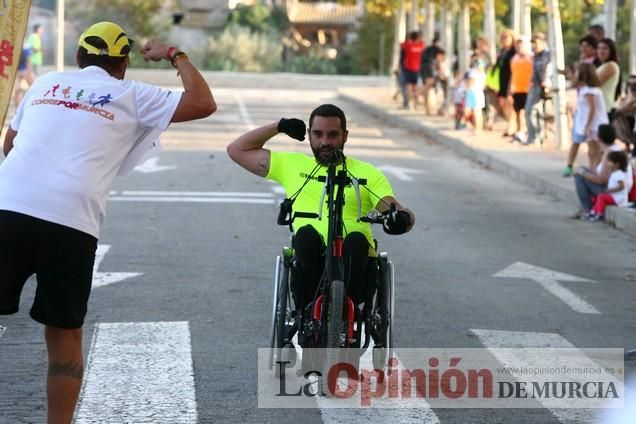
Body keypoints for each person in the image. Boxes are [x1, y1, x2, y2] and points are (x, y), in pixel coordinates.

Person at [0, 21, 216, 423]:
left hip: (8, 207)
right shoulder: (130, 94)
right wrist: (174, 54)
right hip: (70, 220)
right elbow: (203, 103)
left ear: (80, 57)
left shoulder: (45, 84)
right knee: (63, 336)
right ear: (122, 65)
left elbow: (9, 144)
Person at [226, 104, 415, 316]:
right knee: (306, 235)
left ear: (345, 136)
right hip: (309, 259)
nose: (325, 142)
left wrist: (401, 217)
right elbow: (237, 150)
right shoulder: (292, 164)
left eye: (333, 135)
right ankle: (308, 311)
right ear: (308, 135)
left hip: (355, 260)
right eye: (318, 134)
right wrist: (279, 126)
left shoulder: (367, 173)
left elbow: (390, 204)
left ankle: (346, 313)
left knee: (355, 240)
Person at [571, 124, 632, 218]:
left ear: (599, 137)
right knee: (582, 169)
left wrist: (581, 173)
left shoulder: (611, 153)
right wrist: (598, 154)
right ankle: (589, 207)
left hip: (614, 192)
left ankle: (587, 209)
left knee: (579, 174)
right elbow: (595, 170)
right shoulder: (612, 149)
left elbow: (600, 179)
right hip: (615, 188)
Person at [563, 63, 608, 177]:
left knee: (595, 151)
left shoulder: (589, 91)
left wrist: (587, 126)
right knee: (593, 151)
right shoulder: (588, 89)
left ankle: (595, 172)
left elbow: (592, 109)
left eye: (577, 72)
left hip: (594, 126)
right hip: (593, 125)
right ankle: (594, 170)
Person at [523, 32, 551, 146]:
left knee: (532, 111)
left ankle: (536, 137)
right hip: (534, 86)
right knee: (531, 111)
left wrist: (547, 84)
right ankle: (534, 136)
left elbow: (548, 71)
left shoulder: (548, 55)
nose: (533, 46)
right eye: (532, 43)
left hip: (542, 87)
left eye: (536, 43)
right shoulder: (535, 56)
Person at [585, 151, 629, 221]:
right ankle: (593, 212)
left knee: (601, 197)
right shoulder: (614, 173)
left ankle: (599, 214)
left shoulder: (618, 173)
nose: (608, 163)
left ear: (617, 164)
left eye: (610, 162)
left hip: (618, 199)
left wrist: (609, 190)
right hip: (614, 197)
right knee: (598, 197)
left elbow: (622, 186)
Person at [509, 36, 533, 142]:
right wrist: (510, 87)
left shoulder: (531, 57)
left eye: (521, 45)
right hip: (517, 89)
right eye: (518, 45)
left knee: (527, 112)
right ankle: (520, 132)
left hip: (528, 89)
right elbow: (512, 74)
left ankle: (528, 131)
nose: (519, 47)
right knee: (518, 111)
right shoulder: (514, 59)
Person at [494, 29, 517, 136]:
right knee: (503, 104)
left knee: (510, 104)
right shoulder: (502, 51)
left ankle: (511, 127)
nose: (504, 39)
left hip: (510, 80)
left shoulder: (514, 52)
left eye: (507, 37)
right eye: (502, 37)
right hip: (501, 80)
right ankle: (510, 124)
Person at [596, 38, 621, 121]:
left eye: (604, 48)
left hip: (605, 108)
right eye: (599, 48)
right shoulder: (603, 66)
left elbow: (594, 83)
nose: (601, 51)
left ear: (611, 50)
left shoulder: (611, 65)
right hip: (601, 108)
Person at [399, 31, 425, 109]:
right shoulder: (421, 45)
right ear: (418, 38)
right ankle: (416, 102)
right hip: (418, 69)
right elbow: (423, 43)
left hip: (408, 68)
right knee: (415, 86)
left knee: (409, 86)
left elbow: (402, 46)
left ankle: (410, 103)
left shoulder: (407, 45)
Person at [420, 34, 441, 115]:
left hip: (423, 69)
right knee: (428, 88)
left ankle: (427, 109)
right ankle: (418, 93)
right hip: (430, 69)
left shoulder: (426, 49)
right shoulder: (438, 50)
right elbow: (438, 61)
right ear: (437, 42)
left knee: (427, 88)